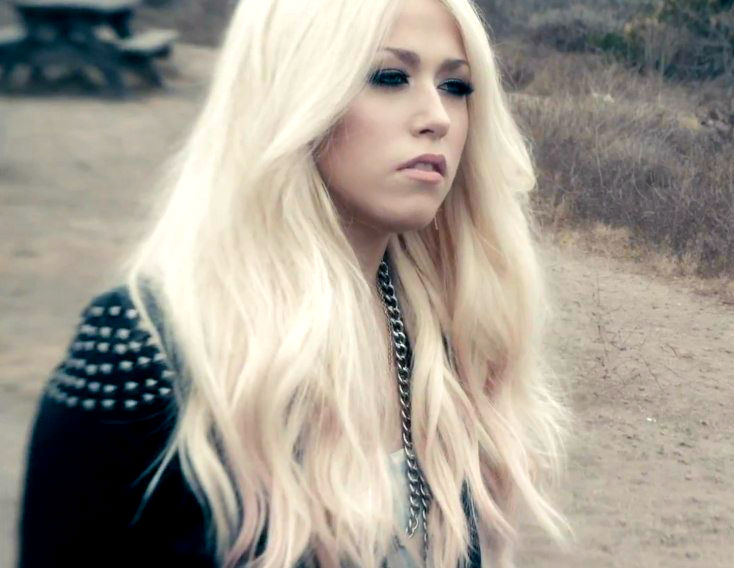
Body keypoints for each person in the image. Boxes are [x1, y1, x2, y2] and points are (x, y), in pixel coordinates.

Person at [17, 0, 572, 566]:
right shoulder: (146, 351)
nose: (438, 117)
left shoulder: (443, 339)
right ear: (295, 92)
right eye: (389, 77)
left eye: (456, 86)